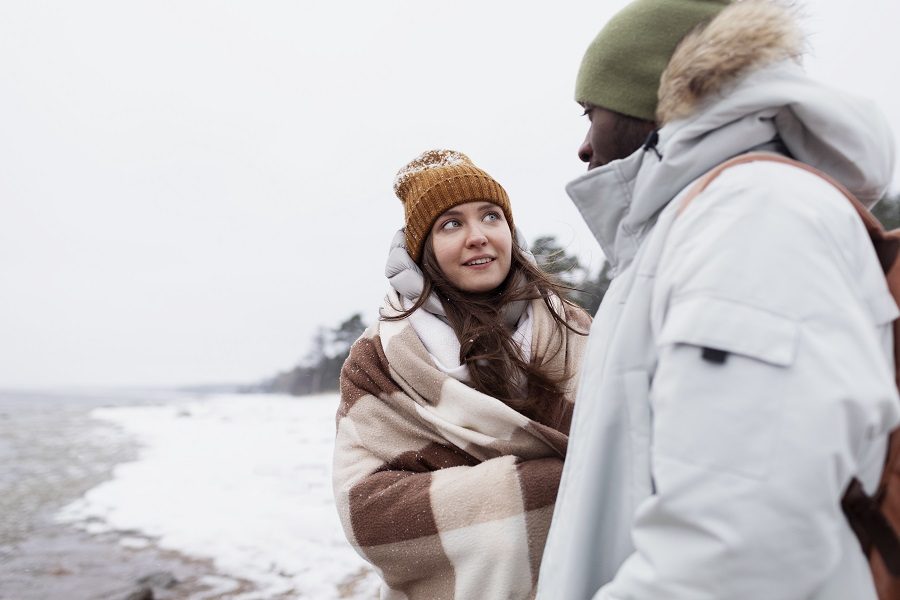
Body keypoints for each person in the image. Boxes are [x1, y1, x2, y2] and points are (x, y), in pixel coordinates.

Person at [537, 1, 900, 599]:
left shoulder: (752, 216)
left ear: (652, 97)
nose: (582, 145)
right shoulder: (699, 222)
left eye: (590, 112)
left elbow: (738, 547)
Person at [333, 149, 591, 599]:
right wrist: (555, 484)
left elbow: (638, 451)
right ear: (422, 248)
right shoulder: (379, 359)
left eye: (491, 216)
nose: (478, 237)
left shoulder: (576, 331)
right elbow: (367, 513)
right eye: (451, 224)